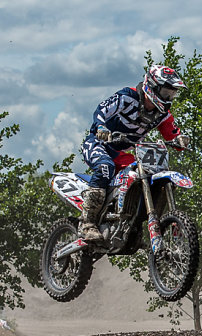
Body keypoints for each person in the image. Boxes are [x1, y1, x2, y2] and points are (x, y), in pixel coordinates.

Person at [79, 65, 191, 242]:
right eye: (166, 92)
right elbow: (101, 109)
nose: (169, 97)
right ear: (152, 86)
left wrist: (180, 141)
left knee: (144, 174)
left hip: (122, 153)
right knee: (105, 167)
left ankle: (131, 222)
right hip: (98, 144)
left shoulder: (162, 114)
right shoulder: (127, 97)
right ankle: (87, 224)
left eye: (172, 94)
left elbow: (173, 134)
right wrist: (101, 127)